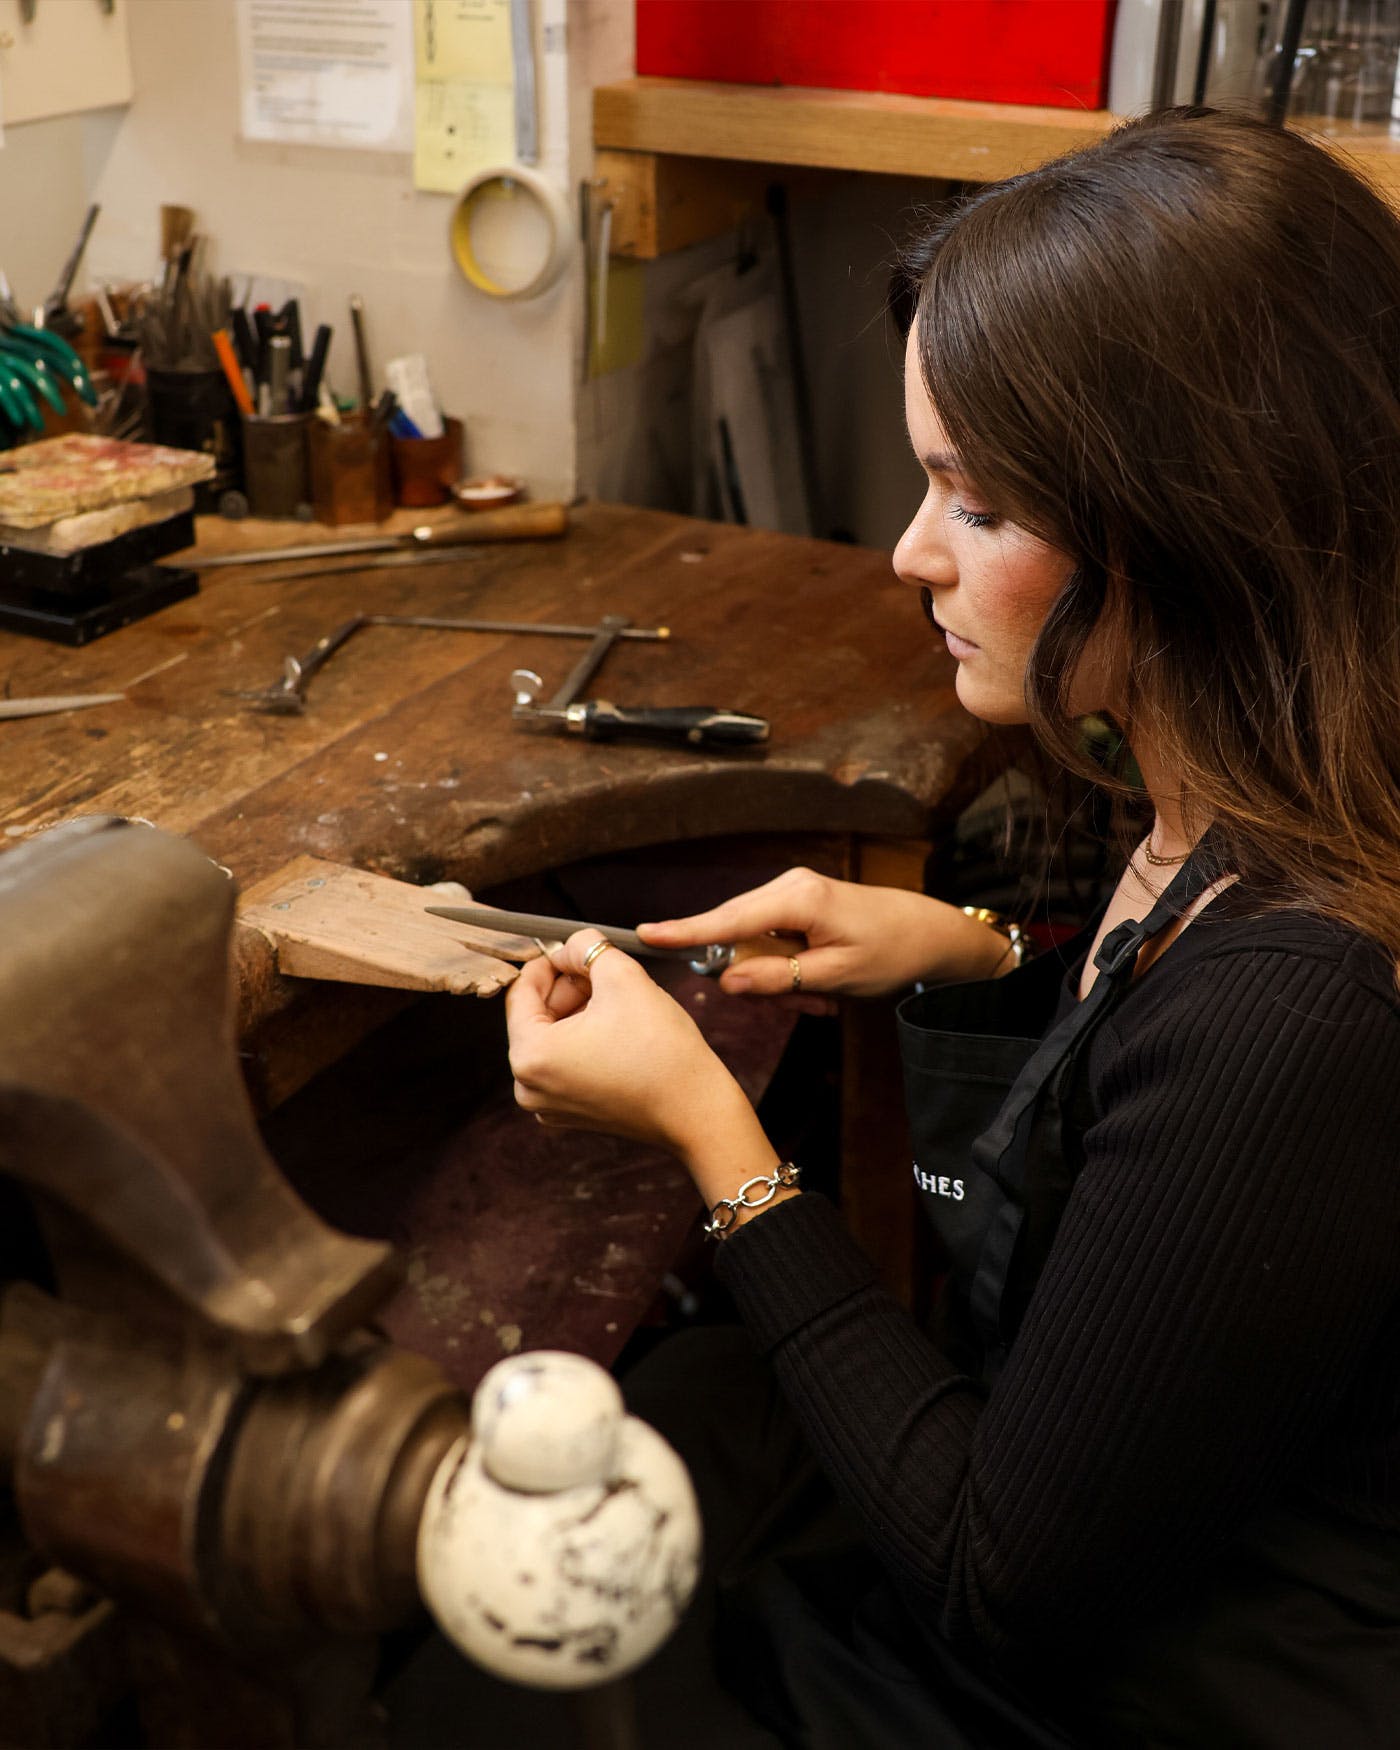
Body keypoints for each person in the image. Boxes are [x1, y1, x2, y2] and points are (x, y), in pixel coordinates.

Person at [504, 108, 1400, 1748]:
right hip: (1128, 1545)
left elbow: (1004, 1581)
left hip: (1172, 1684)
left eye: (973, 506)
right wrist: (982, 953)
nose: (911, 554)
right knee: (693, 1412)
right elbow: (1180, 1091)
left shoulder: (1314, 1006)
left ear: (1186, 536)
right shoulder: (1262, 789)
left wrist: (715, 1134)